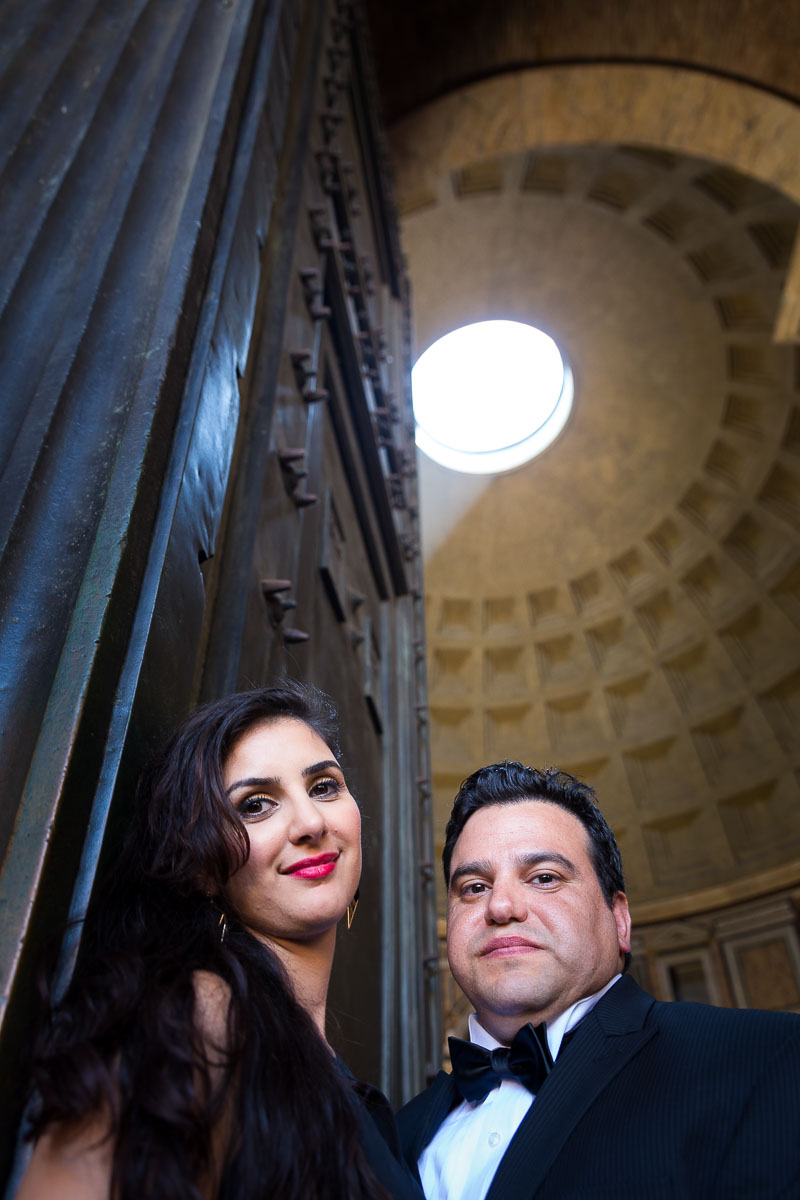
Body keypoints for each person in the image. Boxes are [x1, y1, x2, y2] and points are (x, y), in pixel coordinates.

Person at [17, 682, 421, 1200]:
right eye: (255, 804)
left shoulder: (317, 1060)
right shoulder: (199, 1013)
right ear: (204, 868)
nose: (311, 823)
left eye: (323, 786)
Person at [397, 761, 800, 1199]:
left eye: (544, 878)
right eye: (474, 887)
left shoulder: (766, 1060)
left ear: (619, 919)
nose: (501, 906)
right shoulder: (395, 1133)